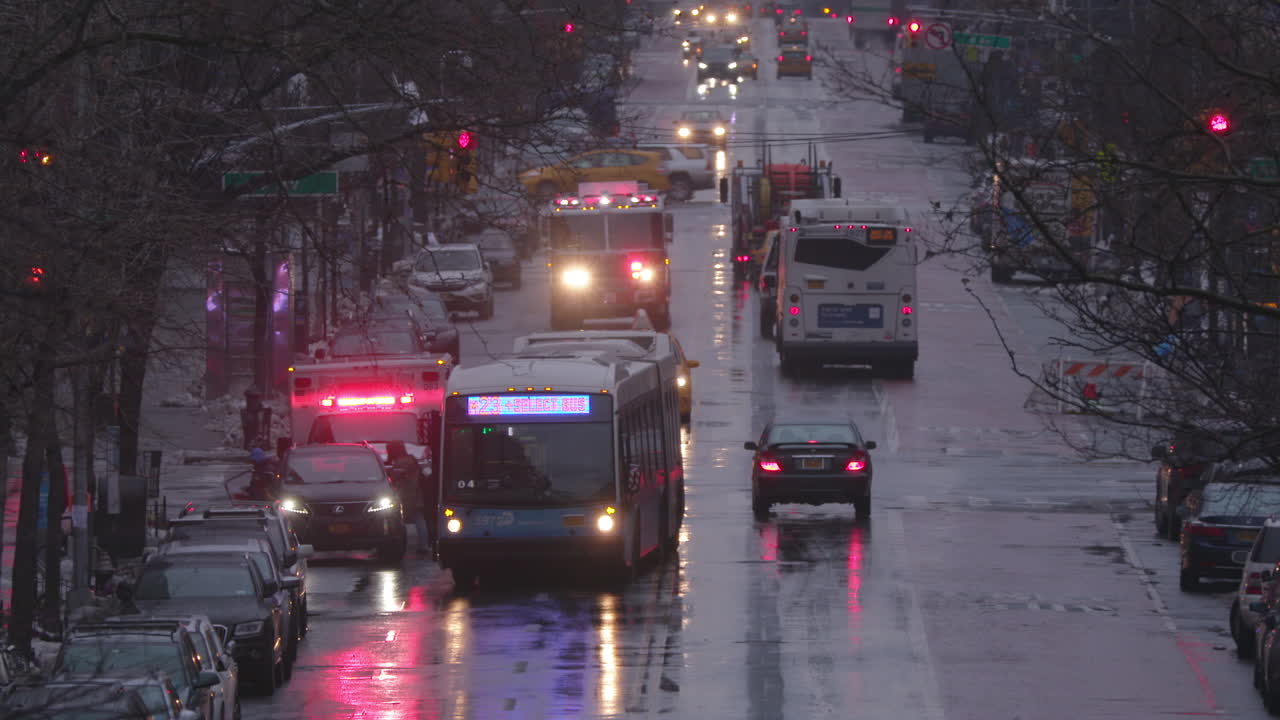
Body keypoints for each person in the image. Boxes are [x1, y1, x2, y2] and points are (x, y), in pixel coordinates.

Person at [387, 440, 430, 553]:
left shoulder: (401, 462)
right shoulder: (410, 459)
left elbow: (395, 477)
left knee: (396, 520)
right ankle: (423, 545)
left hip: (407, 495)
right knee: (419, 520)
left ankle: (397, 546)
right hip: (415, 494)